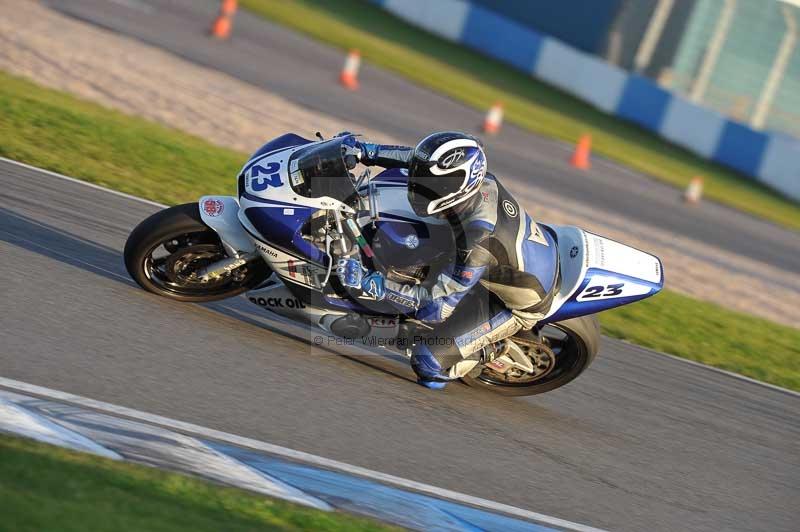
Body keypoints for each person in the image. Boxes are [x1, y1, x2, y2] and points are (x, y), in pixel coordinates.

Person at [336, 131, 559, 389]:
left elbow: (437, 307)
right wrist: (366, 151)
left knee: (426, 362)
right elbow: (414, 159)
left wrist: (374, 286)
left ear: (455, 188)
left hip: (511, 303)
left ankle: (489, 350)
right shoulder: (470, 181)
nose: (417, 185)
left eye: (433, 186)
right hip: (490, 261)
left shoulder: (477, 241)